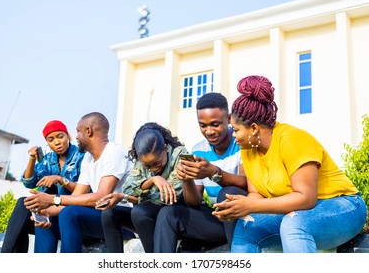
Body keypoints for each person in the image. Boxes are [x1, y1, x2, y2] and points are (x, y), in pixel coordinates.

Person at [213, 75, 368, 253]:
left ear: (254, 129)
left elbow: (306, 198)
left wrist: (251, 206)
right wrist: (239, 209)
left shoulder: (292, 139)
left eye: (237, 130)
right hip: (299, 213)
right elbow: (256, 194)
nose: (233, 135)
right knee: (246, 226)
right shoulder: (248, 149)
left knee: (294, 224)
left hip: (345, 206)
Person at [24, 112, 133, 253]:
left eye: (77, 131)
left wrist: (52, 199)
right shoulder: (88, 158)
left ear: (88, 131)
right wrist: (45, 212)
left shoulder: (114, 151)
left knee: (69, 213)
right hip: (100, 219)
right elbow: (74, 198)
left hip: (121, 221)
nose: (75, 137)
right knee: (47, 222)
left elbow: (101, 197)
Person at [153, 92, 247, 253]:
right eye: (203, 125)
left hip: (242, 218)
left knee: (227, 193)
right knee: (167, 214)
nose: (209, 131)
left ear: (229, 119)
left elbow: (246, 183)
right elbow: (194, 202)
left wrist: (214, 172)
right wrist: (187, 179)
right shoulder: (198, 149)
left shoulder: (242, 142)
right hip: (217, 221)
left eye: (215, 124)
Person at [98, 122, 188, 253]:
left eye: (157, 163)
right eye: (147, 166)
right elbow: (128, 189)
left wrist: (138, 193)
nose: (154, 169)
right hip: (149, 213)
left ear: (165, 148)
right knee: (109, 214)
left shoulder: (180, 155)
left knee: (139, 211)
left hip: (173, 214)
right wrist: (152, 180)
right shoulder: (142, 159)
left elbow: (166, 198)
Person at [1, 120, 84, 253]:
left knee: (25, 218)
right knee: (23, 203)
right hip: (48, 212)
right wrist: (32, 158)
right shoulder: (48, 159)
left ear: (68, 136)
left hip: (67, 211)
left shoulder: (81, 156)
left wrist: (60, 179)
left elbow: (84, 191)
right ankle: (6, 256)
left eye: (60, 136)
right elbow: (29, 182)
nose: (57, 142)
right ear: (47, 143)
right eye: (51, 139)